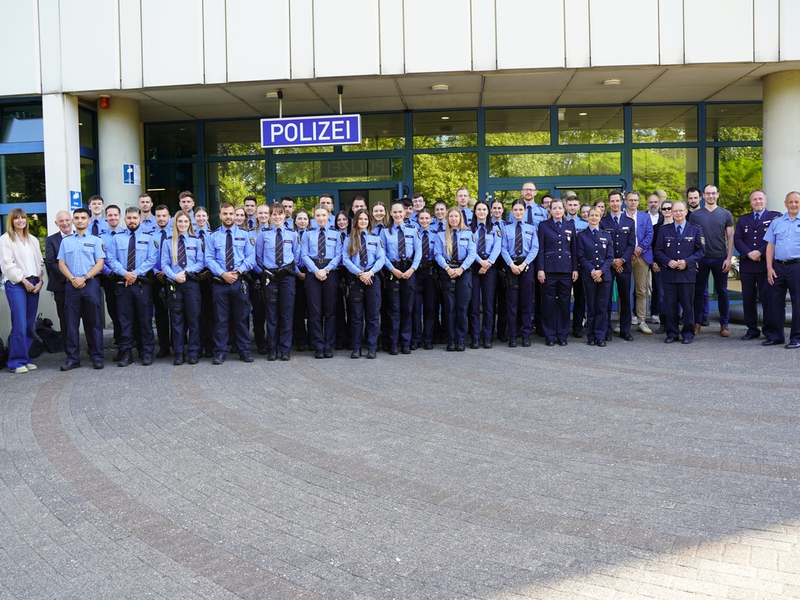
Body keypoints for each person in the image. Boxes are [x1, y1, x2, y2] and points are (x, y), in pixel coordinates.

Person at [104, 207, 158, 367]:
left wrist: (134, 274)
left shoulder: (150, 238)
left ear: (140, 219)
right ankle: (126, 354)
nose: (132, 221)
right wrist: (124, 273)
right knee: (124, 321)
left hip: (142, 284)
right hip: (123, 285)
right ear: (124, 220)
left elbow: (151, 259)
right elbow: (111, 259)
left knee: (145, 320)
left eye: (135, 218)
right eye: (129, 218)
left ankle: (146, 352)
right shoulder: (117, 238)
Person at [205, 202, 256, 364]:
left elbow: (251, 258)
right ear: (220, 216)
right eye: (225, 214)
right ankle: (220, 352)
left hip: (239, 282)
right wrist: (223, 274)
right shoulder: (212, 236)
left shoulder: (246, 235)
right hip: (220, 283)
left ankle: (244, 351)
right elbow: (209, 259)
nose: (228, 216)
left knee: (242, 318)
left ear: (235, 215)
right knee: (220, 319)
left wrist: (238, 272)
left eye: (231, 214)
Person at [654, 201, 705, 344]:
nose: (677, 213)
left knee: (688, 306)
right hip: (669, 274)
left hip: (687, 274)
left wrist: (687, 262)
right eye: (674, 211)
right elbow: (658, 251)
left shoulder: (695, 229)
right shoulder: (664, 230)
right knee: (671, 306)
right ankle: (672, 334)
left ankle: (688, 334)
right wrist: (668, 261)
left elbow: (701, 251)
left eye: (680, 210)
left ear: (686, 212)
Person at [733, 189, 782, 341]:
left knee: (767, 299)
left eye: (760, 199)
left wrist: (759, 252)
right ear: (751, 202)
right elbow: (738, 240)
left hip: (765, 265)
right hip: (747, 266)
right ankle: (752, 329)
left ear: (765, 201)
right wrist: (749, 253)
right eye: (754, 199)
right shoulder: (743, 220)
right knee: (748, 299)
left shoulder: (775, 217)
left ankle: (768, 330)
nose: (758, 202)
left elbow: (774, 238)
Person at [0, 208, 44, 373]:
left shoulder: (32, 239)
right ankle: (15, 361)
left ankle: (25, 357)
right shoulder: (6, 239)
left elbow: (40, 263)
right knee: (19, 322)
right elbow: (7, 265)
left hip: (34, 283)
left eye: (23, 218)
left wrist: (40, 281)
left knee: (29, 323)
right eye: (16, 218)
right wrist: (24, 281)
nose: (20, 221)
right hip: (17, 283)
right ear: (11, 221)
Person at [256, 203, 300, 361]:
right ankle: (272, 349)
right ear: (270, 216)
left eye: (280, 214)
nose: (277, 217)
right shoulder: (263, 234)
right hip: (271, 277)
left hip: (287, 277)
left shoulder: (292, 234)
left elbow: (297, 255)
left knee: (286, 314)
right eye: (274, 214)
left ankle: (285, 348)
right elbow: (259, 257)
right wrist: (268, 271)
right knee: (271, 314)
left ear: (284, 215)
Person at [689, 184, 734, 337]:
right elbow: (691, 238)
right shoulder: (695, 215)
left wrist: (729, 258)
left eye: (713, 193)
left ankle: (724, 325)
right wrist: (693, 259)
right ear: (703, 196)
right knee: (699, 292)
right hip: (700, 259)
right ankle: (697, 323)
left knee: (722, 292)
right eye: (708, 194)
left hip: (720, 258)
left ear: (718, 195)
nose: (711, 196)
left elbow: (730, 237)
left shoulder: (726, 214)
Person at [161, 210, 205, 365]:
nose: (183, 224)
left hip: (191, 284)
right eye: (180, 222)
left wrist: (186, 272)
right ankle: (179, 353)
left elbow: (201, 262)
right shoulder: (168, 242)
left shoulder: (196, 240)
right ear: (175, 224)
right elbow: (164, 264)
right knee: (177, 320)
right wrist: (174, 276)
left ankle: (193, 352)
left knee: (193, 319)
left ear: (190, 224)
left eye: (186, 222)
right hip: (174, 285)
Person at [301, 205, 343, 359]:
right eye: (318, 215)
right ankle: (318, 345)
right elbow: (304, 255)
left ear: (328, 216)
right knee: (314, 312)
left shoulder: (336, 234)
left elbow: (339, 255)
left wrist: (326, 270)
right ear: (314, 217)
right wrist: (316, 270)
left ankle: (328, 345)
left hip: (330, 272)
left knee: (330, 312)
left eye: (323, 215)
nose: (321, 218)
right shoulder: (307, 234)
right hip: (313, 273)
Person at [343, 209, 385, 359]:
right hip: (356, 280)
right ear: (356, 221)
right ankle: (356, 347)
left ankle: (371, 347)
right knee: (356, 316)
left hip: (372, 279)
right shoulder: (349, 239)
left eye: (365, 219)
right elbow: (345, 259)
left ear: (369, 221)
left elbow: (381, 259)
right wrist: (360, 273)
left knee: (373, 316)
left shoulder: (375, 238)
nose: (363, 222)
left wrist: (370, 272)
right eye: (360, 219)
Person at [381, 201, 421, 354]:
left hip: (409, 270)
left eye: (400, 212)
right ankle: (393, 343)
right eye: (395, 212)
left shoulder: (413, 229)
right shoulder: (385, 232)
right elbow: (382, 254)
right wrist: (392, 269)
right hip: (393, 271)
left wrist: (412, 269)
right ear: (391, 214)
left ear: (405, 213)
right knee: (393, 309)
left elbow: (418, 252)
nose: (398, 215)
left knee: (407, 309)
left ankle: (405, 342)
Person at [434, 206, 477, 351]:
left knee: (462, 308)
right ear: (447, 218)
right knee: (449, 308)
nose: (453, 219)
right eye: (451, 216)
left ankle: (461, 340)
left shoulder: (468, 233)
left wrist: (461, 269)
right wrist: (447, 268)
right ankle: (450, 340)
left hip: (463, 273)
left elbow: (472, 254)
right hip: (447, 272)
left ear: (460, 218)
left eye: (456, 217)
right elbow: (437, 254)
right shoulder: (441, 235)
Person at [537, 199, 577, 346]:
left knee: (564, 304)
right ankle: (549, 335)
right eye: (555, 208)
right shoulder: (543, 226)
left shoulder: (570, 225)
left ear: (564, 209)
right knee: (548, 304)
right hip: (549, 270)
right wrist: (540, 269)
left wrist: (575, 269)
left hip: (566, 270)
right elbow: (541, 249)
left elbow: (573, 249)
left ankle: (562, 335)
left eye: (560, 208)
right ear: (550, 210)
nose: (557, 211)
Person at [763, 191, 800, 349]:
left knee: (798, 303)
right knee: (775, 302)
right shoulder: (776, 222)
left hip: (797, 266)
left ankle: (796, 338)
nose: (793, 204)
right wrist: (769, 267)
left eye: (796, 202)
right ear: (785, 204)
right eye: (790, 202)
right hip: (778, 266)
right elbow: (770, 246)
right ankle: (776, 336)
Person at [500, 200, 538, 347]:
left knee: (527, 303)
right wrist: (511, 264)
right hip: (511, 267)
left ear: (524, 211)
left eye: (521, 210)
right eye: (515, 210)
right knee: (512, 303)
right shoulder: (506, 228)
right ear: (512, 211)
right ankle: (513, 335)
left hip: (526, 267)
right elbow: (503, 248)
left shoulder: (531, 228)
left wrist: (523, 264)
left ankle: (526, 334)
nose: (518, 212)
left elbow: (534, 249)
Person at [600, 191, 636, 341]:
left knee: (625, 300)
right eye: (612, 201)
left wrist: (621, 260)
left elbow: (631, 244)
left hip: (624, 265)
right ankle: (607, 331)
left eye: (617, 201)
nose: (615, 203)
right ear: (609, 203)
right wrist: (613, 261)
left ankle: (625, 330)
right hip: (608, 265)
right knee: (606, 299)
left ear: (621, 202)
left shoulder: (629, 221)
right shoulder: (603, 221)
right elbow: (601, 244)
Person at [576, 208, 614, 347]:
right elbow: (581, 256)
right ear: (587, 217)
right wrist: (593, 271)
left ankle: (600, 336)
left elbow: (610, 257)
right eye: (591, 215)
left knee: (602, 308)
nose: (593, 218)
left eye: (596, 215)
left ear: (601, 217)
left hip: (604, 276)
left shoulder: (606, 235)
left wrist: (601, 272)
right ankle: (590, 336)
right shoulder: (582, 235)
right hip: (589, 275)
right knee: (591, 307)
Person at [469, 200, 502, 349]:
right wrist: (480, 262)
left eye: (484, 209)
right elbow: (470, 248)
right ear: (475, 212)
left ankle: (487, 336)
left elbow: (497, 248)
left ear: (488, 212)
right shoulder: (469, 229)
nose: (481, 212)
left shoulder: (495, 229)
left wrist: (487, 263)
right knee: (474, 304)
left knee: (489, 304)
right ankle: (475, 336)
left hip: (490, 268)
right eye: (479, 209)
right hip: (474, 268)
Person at [624, 191, 654, 334]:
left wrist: (639, 249)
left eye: (635, 200)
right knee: (624, 291)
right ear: (626, 202)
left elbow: (650, 234)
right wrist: (627, 253)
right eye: (630, 200)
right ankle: (624, 320)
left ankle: (641, 320)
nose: (633, 202)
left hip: (641, 257)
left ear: (638, 202)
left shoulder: (645, 217)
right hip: (625, 258)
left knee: (641, 290)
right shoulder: (621, 217)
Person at [100, 205, 126, 358]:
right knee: (115, 314)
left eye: (115, 215)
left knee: (127, 313)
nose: (113, 218)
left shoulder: (126, 235)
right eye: (110, 215)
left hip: (126, 278)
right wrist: (109, 272)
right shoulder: (101, 238)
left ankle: (131, 344)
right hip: (110, 279)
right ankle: (119, 345)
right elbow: (99, 259)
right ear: (106, 217)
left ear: (120, 217)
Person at [45, 210, 72, 348]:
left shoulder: (82, 237)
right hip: (61, 285)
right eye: (61, 221)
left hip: (82, 283)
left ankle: (92, 350)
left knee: (88, 319)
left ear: (71, 220)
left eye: (67, 220)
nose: (65, 223)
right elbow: (50, 262)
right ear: (56, 223)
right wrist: (68, 277)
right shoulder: (51, 240)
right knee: (65, 320)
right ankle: (69, 352)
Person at [412, 208, 438, 350]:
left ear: (431, 219)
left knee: (430, 307)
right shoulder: (414, 233)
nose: (424, 221)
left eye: (427, 218)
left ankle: (428, 338)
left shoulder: (436, 234)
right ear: (418, 220)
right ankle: (416, 338)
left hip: (430, 272)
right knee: (416, 308)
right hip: (416, 272)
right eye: (421, 218)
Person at [193, 206, 215, 358]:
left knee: (209, 313)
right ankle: (198, 345)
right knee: (196, 313)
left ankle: (210, 346)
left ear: (207, 217)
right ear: (194, 218)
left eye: (203, 216)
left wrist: (207, 272)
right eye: (198, 216)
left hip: (209, 276)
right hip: (193, 277)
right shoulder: (188, 235)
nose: (201, 219)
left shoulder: (213, 235)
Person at [565, 195, 588, 338]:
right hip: (565, 266)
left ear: (578, 207)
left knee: (580, 298)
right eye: (570, 205)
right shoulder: (561, 223)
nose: (572, 207)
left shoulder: (585, 225)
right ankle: (563, 326)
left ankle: (578, 327)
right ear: (566, 206)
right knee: (563, 298)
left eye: (575, 205)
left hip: (581, 266)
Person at [152, 204, 173, 357]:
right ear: (155, 218)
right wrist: (156, 272)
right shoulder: (150, 236)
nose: (161, 218)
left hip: (173, 278)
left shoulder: (176, 234)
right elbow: (146, 257)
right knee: (160, 315)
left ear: (169, 217)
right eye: (158, 216)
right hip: (155, 279)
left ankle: (178, 344)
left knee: (177, 313)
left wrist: (167, 272)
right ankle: (163, 347)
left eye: (164, 216)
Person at [250, 203, 271, 354]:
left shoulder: (275, 231)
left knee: (273, 311)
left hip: (274, 276)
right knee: (258, 311)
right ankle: (260, 342)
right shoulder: (249, 234)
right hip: (256, 275)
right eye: (260, 213)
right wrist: (261, 272)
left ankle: (273, 341)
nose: (263, 215)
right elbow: (251, 257)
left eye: (266, 213)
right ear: (256, 215)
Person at [651, 200, 674, 333]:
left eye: (669, 208)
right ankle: (663, 323)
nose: (666, 211)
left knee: (675, 295)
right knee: (662, 295)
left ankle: (673, 322)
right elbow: (653, 247)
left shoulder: (679, 226)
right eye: (664, 209)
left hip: (676, 266)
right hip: (659, 266)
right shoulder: (656, 228)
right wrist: (653, 262)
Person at [490, 199, 509, 342]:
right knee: (489, 301)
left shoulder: (507, 226)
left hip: (504, 266)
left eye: (499, 208)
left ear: (503, 210)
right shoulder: (486, 225)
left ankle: (502, 331)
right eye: (494, 208)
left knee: (503, 300)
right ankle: (489, 331)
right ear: (491, 210)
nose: (497, 210)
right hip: (489, 265)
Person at [292, 210, 310, 351]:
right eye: (300, 218)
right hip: (295, 274)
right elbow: (289, 257)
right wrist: (298, 273)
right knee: (297, 309)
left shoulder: (312, 235)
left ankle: (311, 338)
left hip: (311, 273)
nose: (302, 221)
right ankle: (300, 339)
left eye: (305, 218)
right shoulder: (291, 235)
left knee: (311, 308)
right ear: (295, 221)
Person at [334, 211, 351, 350]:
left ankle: (351, 338)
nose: (342, 222)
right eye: (339, 220)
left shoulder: (353, 235)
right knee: (338, 306)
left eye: (344, 219)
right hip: (336, 271)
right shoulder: (333, 235)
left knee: (352, 306)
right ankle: (340, 338)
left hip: (350, 271)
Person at [646, 193, 663, 326]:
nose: (653, 204)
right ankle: (637, 313)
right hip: (643, 256)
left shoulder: (664, 218)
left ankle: (655, 313)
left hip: (658, 259)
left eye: (655, 202)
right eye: (651, 202)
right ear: (647, 203)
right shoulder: (642, 217)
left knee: (658, 287)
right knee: (640, 287)